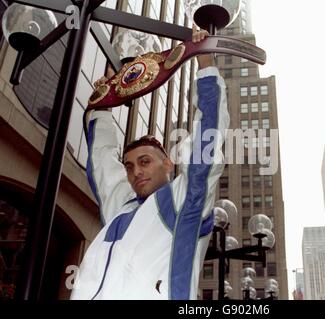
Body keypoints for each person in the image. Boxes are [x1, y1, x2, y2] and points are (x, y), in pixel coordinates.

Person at [70, 27, 229, 300]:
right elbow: (101, 158)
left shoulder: (183, 203)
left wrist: (204, 64)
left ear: (168, 164)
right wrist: (104, 102)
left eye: (145, 162)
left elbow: (207, 142)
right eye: (129, 166)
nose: (136, 172)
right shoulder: (121, 206)